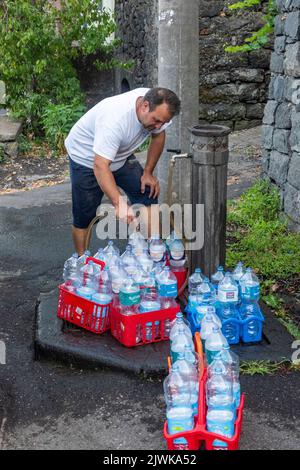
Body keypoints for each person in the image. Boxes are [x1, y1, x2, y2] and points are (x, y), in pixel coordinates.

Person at [65, 87, 181, 255]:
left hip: (119, 155)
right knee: (85, 215)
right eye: (156, 121)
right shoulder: (114, 120)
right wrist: (119, 203)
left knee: (147, 191)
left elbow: (158, 135)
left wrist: (148, 172)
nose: (159, 126)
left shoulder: (160, 108)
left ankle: (152, 252)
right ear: (144, 106)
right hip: (86, 158)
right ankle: (83, 264)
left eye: (162, 122)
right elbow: (100, 165)